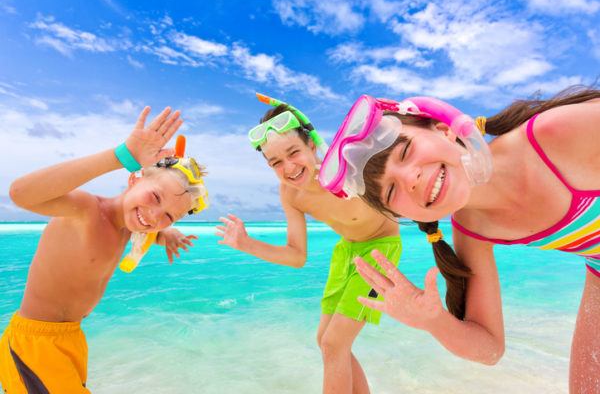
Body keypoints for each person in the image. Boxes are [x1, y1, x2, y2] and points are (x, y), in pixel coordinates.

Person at [319, 87, 600, 393]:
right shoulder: (472, 229)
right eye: (391, 191)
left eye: (405, 152)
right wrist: (432, 320)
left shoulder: (556, 133)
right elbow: (490, 349)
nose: (410, 179)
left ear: (444, 129)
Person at [0, 106, 208, 392]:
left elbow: (148, 227)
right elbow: (20, 194)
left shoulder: (129, 226)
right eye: (156, 196)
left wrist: (166, 234)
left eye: (169, 215)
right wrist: (120, 156)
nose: (155, 215)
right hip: (35, 343)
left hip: (69, 339)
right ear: (135, 178)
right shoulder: (86, 211)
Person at [215, 94, 401, 394]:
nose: (288, 167)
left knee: (333, 343)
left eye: (294, 153)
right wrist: (246, 243)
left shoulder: (343, 166)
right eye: (276, 162)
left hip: (381, 249)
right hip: (347, 253)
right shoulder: (291, 195)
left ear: (311, 145)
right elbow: (297, 255)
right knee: (325, 340)